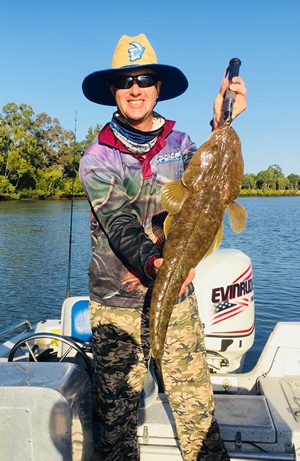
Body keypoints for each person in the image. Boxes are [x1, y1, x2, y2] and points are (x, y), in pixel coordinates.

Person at [79, 34, 247, 461]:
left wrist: (222, 122)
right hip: (116, 304)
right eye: (125, 81)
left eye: (145, 79)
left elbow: (213, 176)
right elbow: (118, 224)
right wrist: (160, 263)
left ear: (157, 88)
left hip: (179, 295)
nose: (135, 88)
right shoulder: (98, 157)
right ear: (113, 92)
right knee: (117, 425)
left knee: (198, 416)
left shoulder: (183, 144)